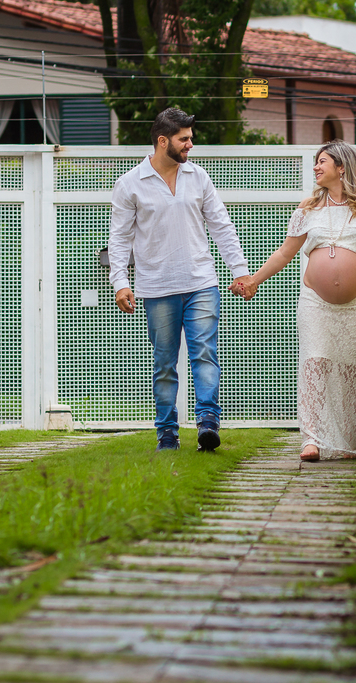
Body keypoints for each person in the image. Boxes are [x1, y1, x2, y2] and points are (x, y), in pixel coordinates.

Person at [230, 140, 356, 461]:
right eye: (316, 163)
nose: (316, 168)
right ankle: (312, 439)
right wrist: (253, 280)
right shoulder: (308, 208)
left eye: (322, 162)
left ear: (342, 167)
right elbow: (285, 252)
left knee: (354, 370)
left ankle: (348, 441)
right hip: (315, 303)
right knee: (315, 362)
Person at [109, 107, 250, 452]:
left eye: (191, 137)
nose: (191, 144)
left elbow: (221, 225)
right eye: (184, 139)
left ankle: (207, 423)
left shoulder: (198, 177)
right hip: (157, 288)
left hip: (201, 281)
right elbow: (119, 239)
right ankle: (167, 434)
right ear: (162, 141)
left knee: (204, 352)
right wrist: (120, 282)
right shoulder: (130, 184)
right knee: (164, 363)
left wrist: (240, 270)